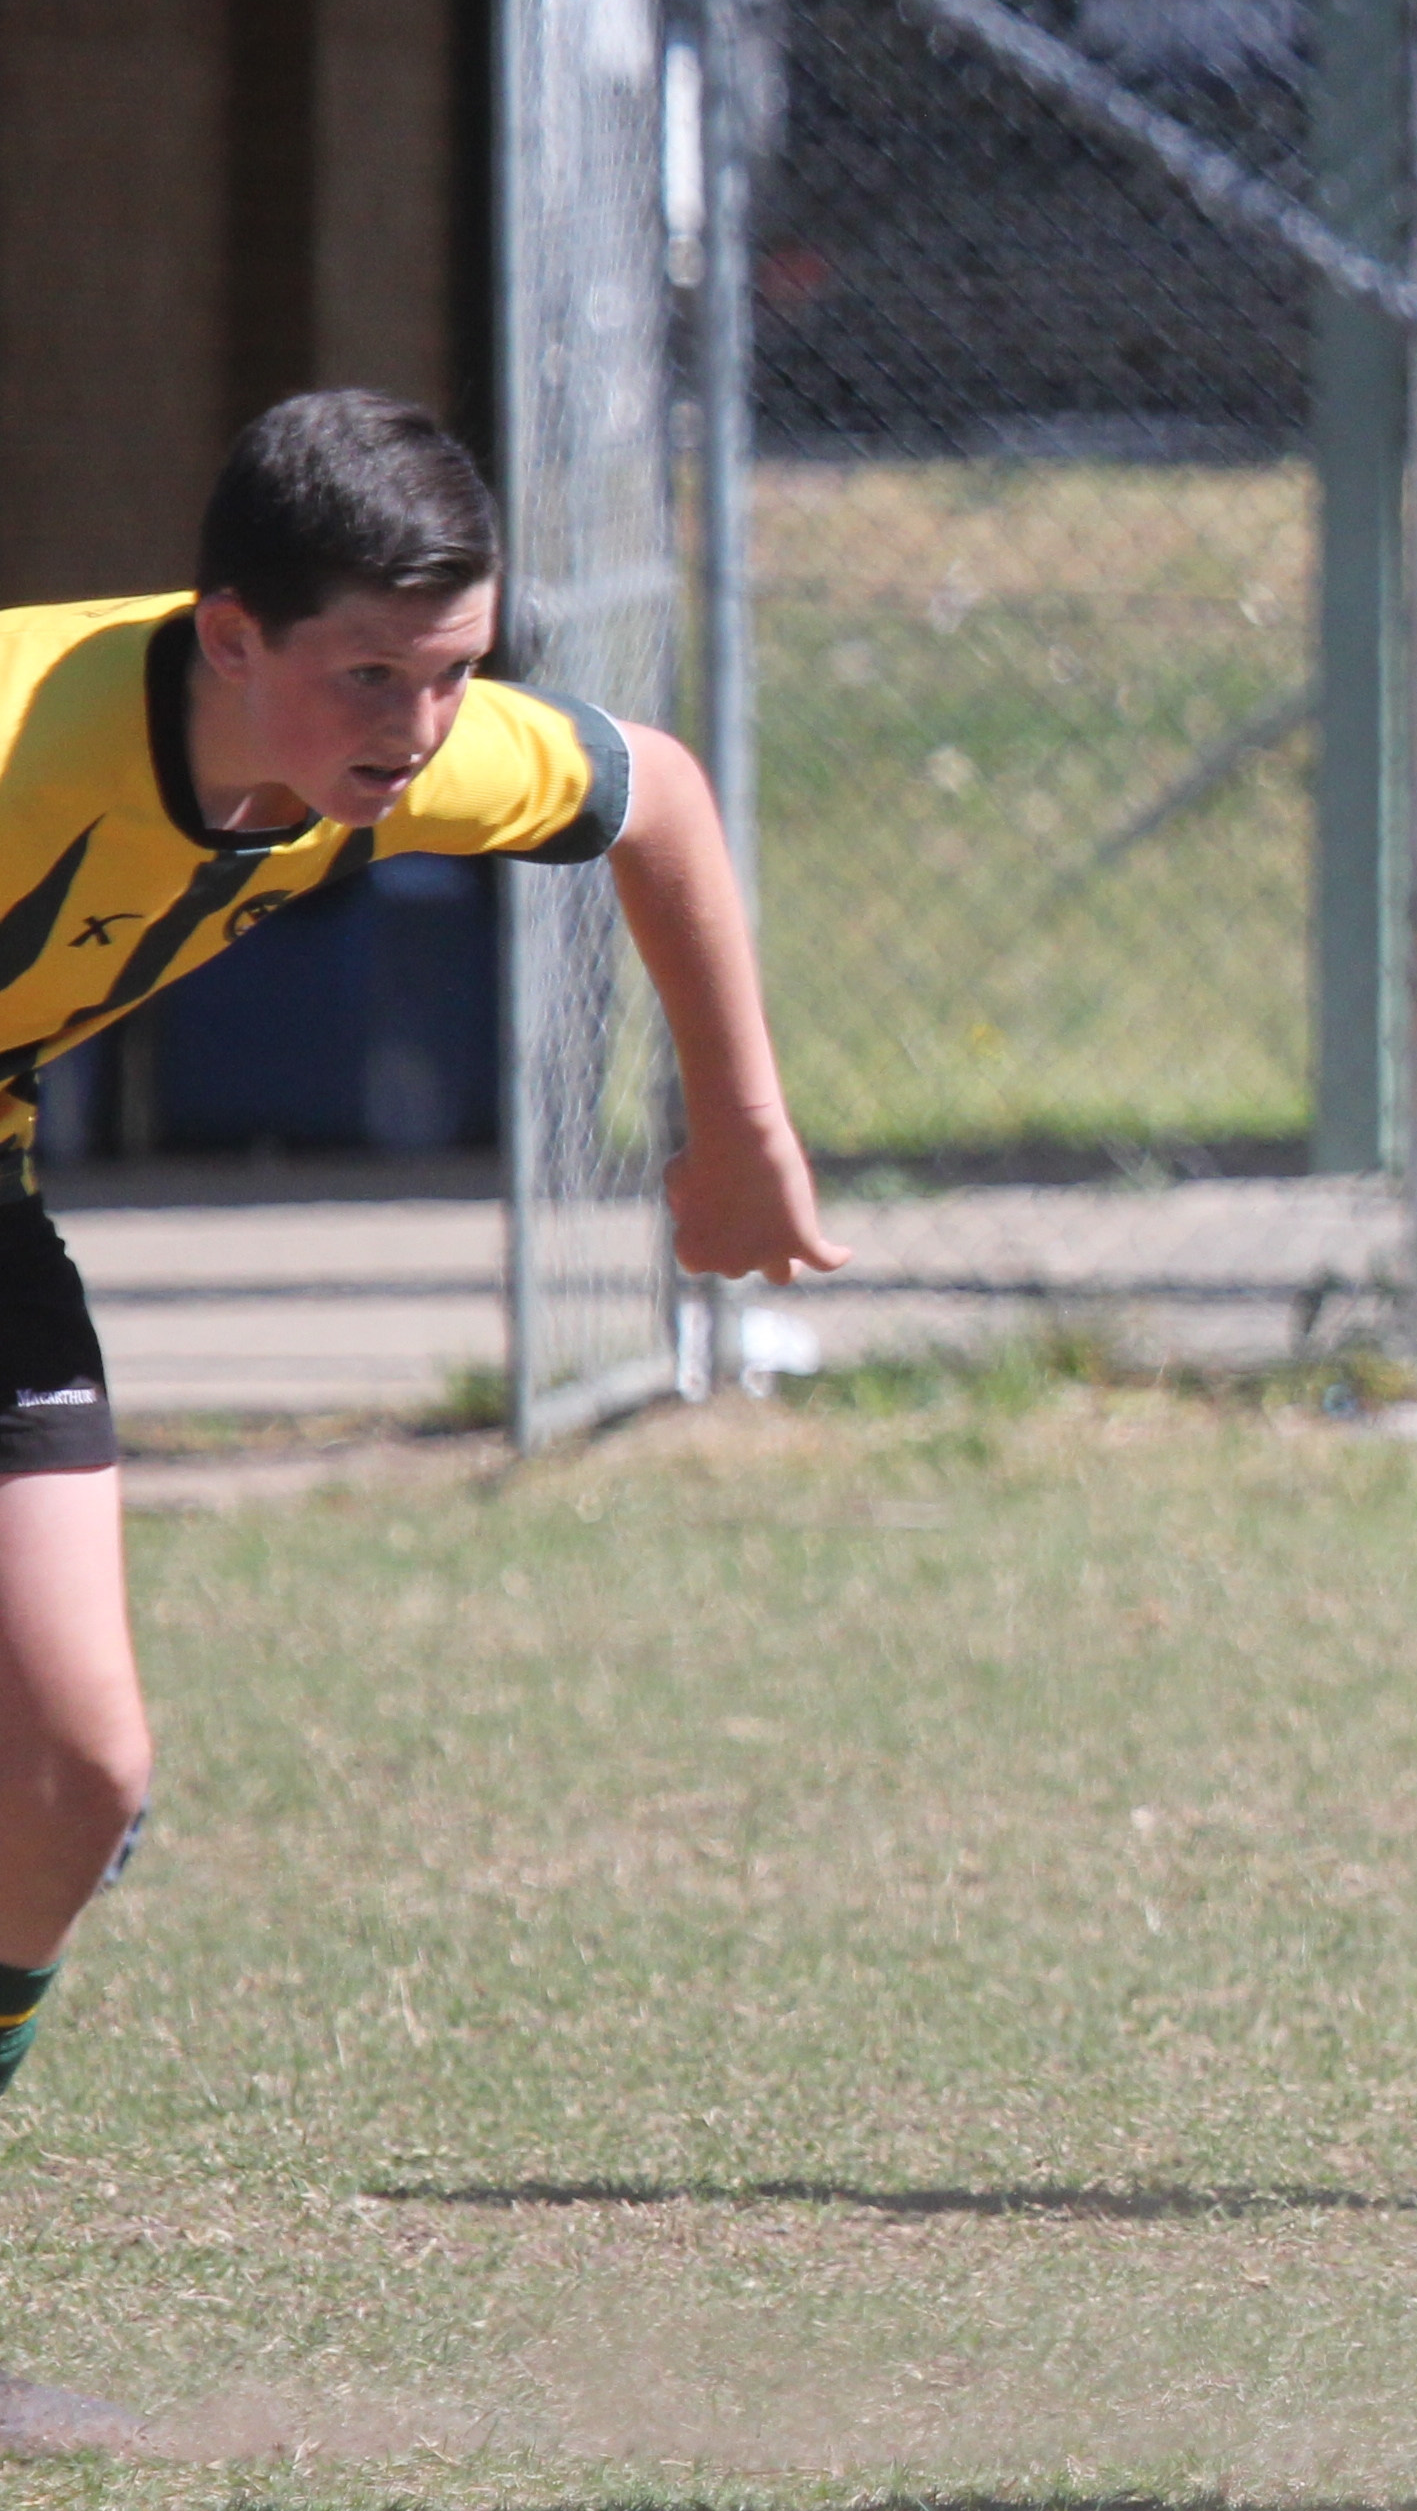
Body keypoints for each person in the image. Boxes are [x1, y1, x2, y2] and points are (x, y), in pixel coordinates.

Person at [0, 390, 841, 2106]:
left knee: (77, 1779)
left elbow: (656, 796)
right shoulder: (24, 744)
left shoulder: (400, 750)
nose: (424, 723)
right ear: (231, 637)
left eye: (455, 669)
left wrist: (742, 1130)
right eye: (374, 676)